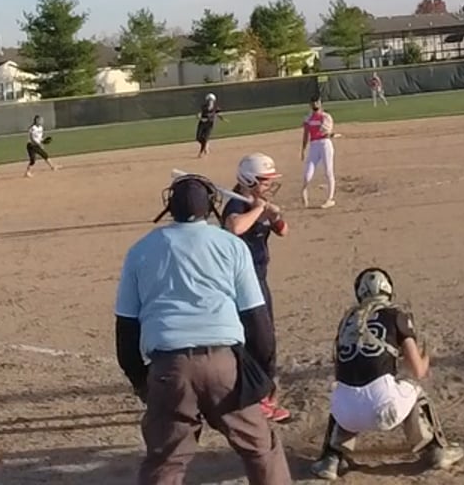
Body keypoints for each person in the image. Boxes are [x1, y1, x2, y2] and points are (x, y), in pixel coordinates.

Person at [115, 174, 291, 485]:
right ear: (211, 206)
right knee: (261, 448)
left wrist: (141, 381)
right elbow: (256, 318)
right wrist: (264, 375)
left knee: (165, 461)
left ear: (169, 206)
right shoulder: (231, 245)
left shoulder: (139, 250)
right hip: (224, 366)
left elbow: (126, 327)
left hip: (169, 367)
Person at [308, 267, 464, 480]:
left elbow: (340, 369)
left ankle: (331, 458)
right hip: (384, 409)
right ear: (388, 290)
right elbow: (418, 370)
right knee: (414, 389)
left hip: (344, 414)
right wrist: (427, 356)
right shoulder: (396, 315)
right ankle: (437, 450)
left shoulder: (346, 320)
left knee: (343, 391)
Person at [224, 154, 293, 424]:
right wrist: (258, 209)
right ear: (249, 180)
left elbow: (283, 231)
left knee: (266, 337)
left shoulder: (257, 203)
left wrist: (274, 215)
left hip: (259, 279)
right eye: (265, 181)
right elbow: (234, 227)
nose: (269, 186)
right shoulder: (236, 204)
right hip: (242, 282)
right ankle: (258, 398)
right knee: (258, 339)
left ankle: (264, 393)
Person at [301, 99, 337, 209]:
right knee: (308, 174)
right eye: (313, 103)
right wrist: (303, 149)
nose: (315, 105)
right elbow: (306, 134)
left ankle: (330, 199)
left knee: (328, 171)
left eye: (317, 103)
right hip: (314, 146)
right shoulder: (308, 118)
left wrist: (329, 134)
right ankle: (304, 190)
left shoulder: (326, 117)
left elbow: (326, 132)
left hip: (325, 144)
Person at [196, 94, 222, 159]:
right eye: (209, 100)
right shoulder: (203, 107)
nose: (210, 102)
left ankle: (201, 152)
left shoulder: (215, 107)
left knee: (205, 138)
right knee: (198, 138)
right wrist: (199, 116)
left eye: (211, 100)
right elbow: (200, 113)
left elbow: (217, 113)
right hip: (202, 123)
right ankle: (205, 144)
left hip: (209, 124)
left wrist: (221, 117)